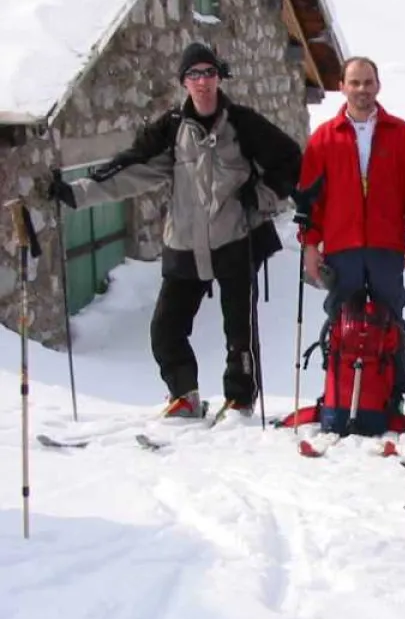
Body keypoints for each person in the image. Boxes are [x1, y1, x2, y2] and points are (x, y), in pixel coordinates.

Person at [46, 42, 300, 418]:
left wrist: (261, 196)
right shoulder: (171, 130)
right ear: (184, 82)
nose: (203, 82)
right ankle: (184, 395)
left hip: (235, 240)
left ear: (218, 77)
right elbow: (130, 171)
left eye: (209, 73)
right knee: (165, 329)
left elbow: (290, 160)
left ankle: (240, 401)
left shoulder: (243, 125)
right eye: (194, 74)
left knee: (239, 334)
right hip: (183, 243)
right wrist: (76, 193)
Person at [296, 56, 405, 414]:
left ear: (378, 86)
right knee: (341, 322)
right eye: (354, 83)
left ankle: (390, 397)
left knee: (393, 324)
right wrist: (310, 245)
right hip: (342, 247)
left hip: (387, 247)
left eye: (368, 82)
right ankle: (340, 396)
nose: (362, 90)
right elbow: (310, 200)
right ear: (341, 86)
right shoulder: (324, 137)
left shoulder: (400, 134)